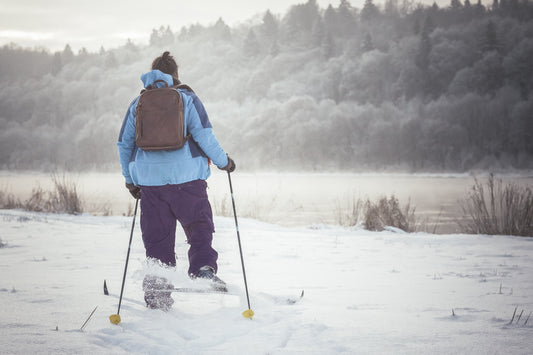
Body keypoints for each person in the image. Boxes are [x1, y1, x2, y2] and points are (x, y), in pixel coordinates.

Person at [117, 51, 235, 310]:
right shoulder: (186, 97)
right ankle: (203, 269)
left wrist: (130, 180)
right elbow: (204, 136)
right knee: (198, 225)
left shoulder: (137, 103)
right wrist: (224, 162)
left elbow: (124, 144)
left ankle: (158, 293)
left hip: (150, 183)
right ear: (176, 75)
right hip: (188, 180)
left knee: (157, 237)